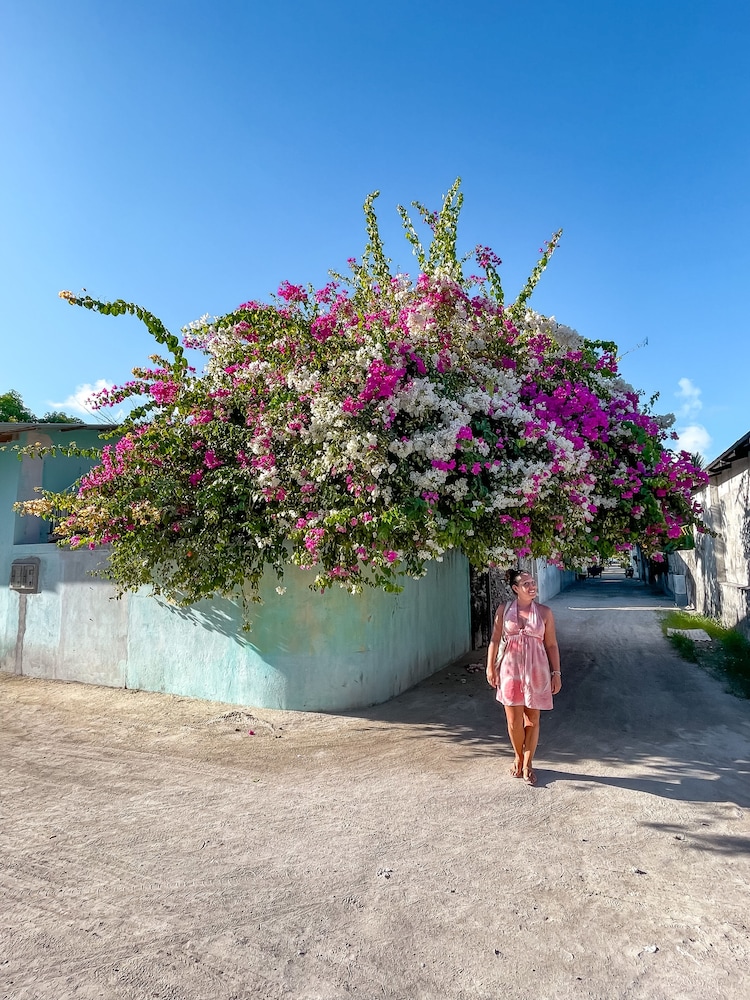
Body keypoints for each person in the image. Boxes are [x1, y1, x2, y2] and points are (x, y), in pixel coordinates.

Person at [486, 569, 562, 786]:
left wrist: (556, 673)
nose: (532, 586)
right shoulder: (504, 610)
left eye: (533, 582)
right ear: (515, 588)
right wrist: (490, 667)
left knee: (533, 719)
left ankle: (527, 763)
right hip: (510, 671)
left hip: (537, 671)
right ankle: (518, 756)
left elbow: (551, 644)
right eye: (526, 584)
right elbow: (494, 639)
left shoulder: (545, 612)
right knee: (513, 721)